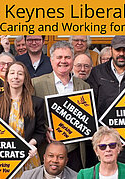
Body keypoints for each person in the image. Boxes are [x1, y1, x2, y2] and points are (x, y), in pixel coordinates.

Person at [87, 36, 125, 167]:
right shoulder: (97, 72)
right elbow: (90, 105)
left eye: (124, 50)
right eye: (117, 50)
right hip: (102, 137)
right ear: (111, 50)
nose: (121, 54)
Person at [32, 41, 90, 172]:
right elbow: (29, 116)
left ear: (73, 60)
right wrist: (43, 129)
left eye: (67, 57)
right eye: (59, 57)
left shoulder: (84, 86)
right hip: (47, 152)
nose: (63, 61)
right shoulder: (36, 84)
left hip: (75, 152)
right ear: (51, 61)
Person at [0, 61, 46, 177]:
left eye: (20, 74)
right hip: (4, 159)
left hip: (28, 157)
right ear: (7, 77)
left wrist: (31, 144)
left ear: (25, 78)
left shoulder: (37, 103)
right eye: (12, 73)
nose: (16, 77)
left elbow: (40, 131)